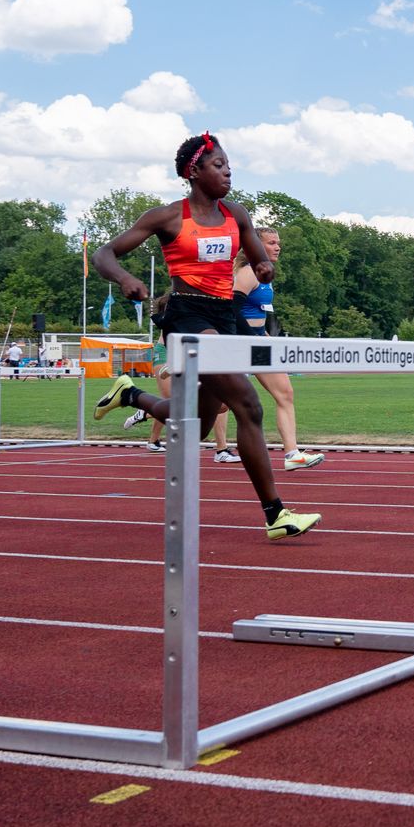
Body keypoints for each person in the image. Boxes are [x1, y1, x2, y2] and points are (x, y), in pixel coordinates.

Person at [89, 132, 318, 541]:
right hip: (188, 316)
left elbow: (260, 258)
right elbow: (103, 254)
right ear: (194, 172)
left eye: (229, 165)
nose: (228, 171)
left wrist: (265, 267)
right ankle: (275, 514)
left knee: (193, 425)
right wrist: (124, 278)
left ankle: (131, 395)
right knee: (248, 404)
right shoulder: (167, 217)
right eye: (219, 165)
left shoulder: (237, 214)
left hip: (224, 314)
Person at [234, 228, 324, 471]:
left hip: (257, 344)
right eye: (272, 243)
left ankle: (292, 454)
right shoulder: (248, 273)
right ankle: (155, 410)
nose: (278, 247)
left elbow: (257, 314)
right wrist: (250, 338)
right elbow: (232, 309)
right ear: (256, 245)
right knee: (218, 405)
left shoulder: (264, 277)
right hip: (240, 346)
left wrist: (263, 335)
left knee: (285, 393)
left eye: (278, 243)